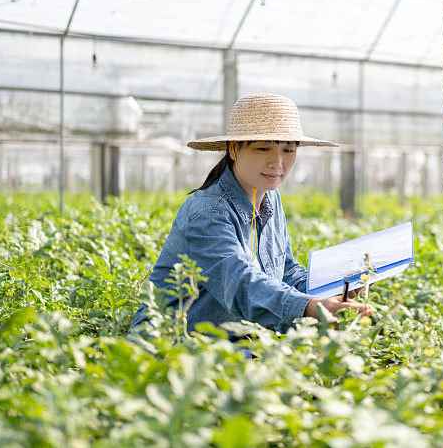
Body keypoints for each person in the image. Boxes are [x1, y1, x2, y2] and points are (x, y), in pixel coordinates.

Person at [129, 93, 373, 340]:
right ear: (234, 149)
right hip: (173, 351)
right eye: (263, 148)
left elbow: (285, 270)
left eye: (288, 150)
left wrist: (334, 288)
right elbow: (240, 283)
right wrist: (309, 309)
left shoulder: (269, 197)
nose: (277, 162)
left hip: (236, 347)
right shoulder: (207, 213)